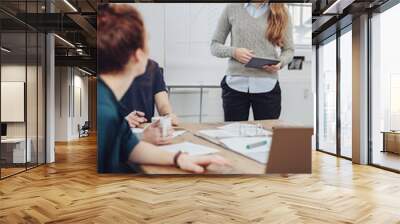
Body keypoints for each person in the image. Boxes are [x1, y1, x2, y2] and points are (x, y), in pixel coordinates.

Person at [97, 3, 229, 173]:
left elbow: (130, 147)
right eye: (147, 41)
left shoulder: (108, 101)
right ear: (138, 56)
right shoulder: (105, 113)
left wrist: (179, 158)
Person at [211, 2, 294, 121]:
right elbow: (214, 45)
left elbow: (289, 50)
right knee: (234, 136)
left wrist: (280, 63)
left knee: (268, 136)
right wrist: (234, 52)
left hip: (267, 87)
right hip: (234, 85)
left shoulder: (282, 11)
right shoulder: (231, 8)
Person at [120, 59, 178, 145]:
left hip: (147, 134)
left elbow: (163, 104)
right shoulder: (106, 66)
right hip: (119, 135)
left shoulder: (152, 67)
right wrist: (121, 121)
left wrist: (167, 115)